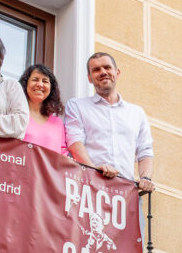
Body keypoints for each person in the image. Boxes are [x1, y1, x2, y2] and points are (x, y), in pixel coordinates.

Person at [65, 53, 155, 190]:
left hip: (127, 193)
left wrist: (145, 178)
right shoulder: (77, 106)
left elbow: (145, 150)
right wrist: (93, 171)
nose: (103, 72)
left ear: (117, 73)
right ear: (89, 78)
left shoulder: (136, 113)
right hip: (89, 189)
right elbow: (74, 142)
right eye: (96, 70)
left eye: (107, 67)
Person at [19, 63, 67, 154]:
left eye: (45, 81)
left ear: (51, 89)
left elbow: (63, 156)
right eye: (35, 79)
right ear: (25, 84)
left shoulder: (58, 123)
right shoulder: (16, 115)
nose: (40, 84)